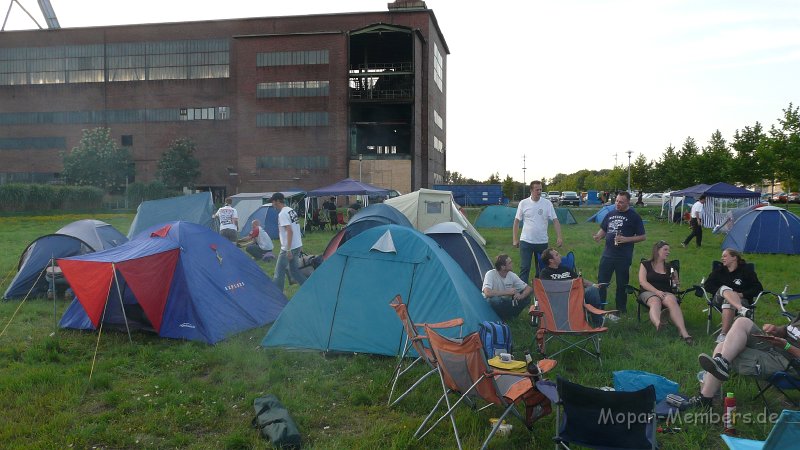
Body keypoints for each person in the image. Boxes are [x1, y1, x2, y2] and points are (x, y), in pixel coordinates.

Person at [688, 314, 800, 409]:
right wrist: (776, 329)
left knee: (723, 348)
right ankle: (722, 363)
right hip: (776, 348)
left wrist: (786, 346)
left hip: (788, 363)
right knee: (742, 322)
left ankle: (706, 399)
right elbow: (788, 331)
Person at [593, 191, 646, 315]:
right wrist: (598, 236)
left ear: (628, 202)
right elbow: (604, 229)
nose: (618, 204)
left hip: (623, 256)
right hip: (607, 255)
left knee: (622, 284)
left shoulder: (634, 216)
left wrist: (626, 239)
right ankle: (600, 307)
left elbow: (643, 236)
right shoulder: (611, 214)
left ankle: (620, 309)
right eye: (616, 201)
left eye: (621, 202)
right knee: (602, 283)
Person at [637, 241, 692, 344]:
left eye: (669, 250)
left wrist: (676, 283)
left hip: (666, 292)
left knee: (671, 300)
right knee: (655, 301)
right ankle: (659, 324)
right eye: (665, 249)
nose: (668, 252)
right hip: (649, 291)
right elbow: (642, 282)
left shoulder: (670, 267)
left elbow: (676, 284)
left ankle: (684, 332)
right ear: (657, 251)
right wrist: (656, 291)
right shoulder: (645, 264)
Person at [704, 248, 763, 343]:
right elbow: (707, 285)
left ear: (734, 258)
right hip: (719, 299)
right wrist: (724, 293)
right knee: (724, 288)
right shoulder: (719, 270)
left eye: (725, 256)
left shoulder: (746, 271)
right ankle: (741, 309)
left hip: (741, 300)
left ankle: (723, 335)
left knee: (729, 301)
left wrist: (741, 294)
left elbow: (758, 288)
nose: (722, 258)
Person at [539, 248, 605, 326]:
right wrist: (570, 284)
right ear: (551, 260)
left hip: (576, 295)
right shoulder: (545, 273)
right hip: (561, 299)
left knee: (593, 290)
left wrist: (594, 285)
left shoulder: (565, 268)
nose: (560, 256)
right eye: (557, 255)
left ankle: (597, 323)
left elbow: (579, 280)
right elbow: (549, 289)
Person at [512, 180, 563, 283]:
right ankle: (523, 291)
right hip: (526, 241)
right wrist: (515, 239)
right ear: (531, 190)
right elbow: (516, 221)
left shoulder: (547, 204)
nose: (539, 192)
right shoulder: (523, 203)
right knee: (524, 268)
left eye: (540, 189)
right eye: (537, 190)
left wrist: (559, 237)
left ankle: (540, 290)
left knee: (542, 268)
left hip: (542, 242)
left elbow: (555, 220)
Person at [269, 192, 307, 292]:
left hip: (288, 248)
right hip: (296, 246)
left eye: (273, 202)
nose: (272, 204)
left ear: (277, 201)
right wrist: (300, 244)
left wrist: (288, 249)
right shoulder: (291, 210)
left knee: (279, 272)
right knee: (295, 272)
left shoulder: (282, 214)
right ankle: (309, 288)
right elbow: (297, 227)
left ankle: (277, 296)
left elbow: (289, 230)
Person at [482, 254, 532, 321]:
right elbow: (487, 293)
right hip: (492, 302)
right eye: (510, 263)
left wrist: (521, 296)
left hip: (506, 302)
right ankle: (499, 317)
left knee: (526, 298)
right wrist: (508, 292)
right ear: (503, 267)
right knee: (495, 301)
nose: (512, 264)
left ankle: (511, 316)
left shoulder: (511, 275)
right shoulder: (490, 274)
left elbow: (529, 288)